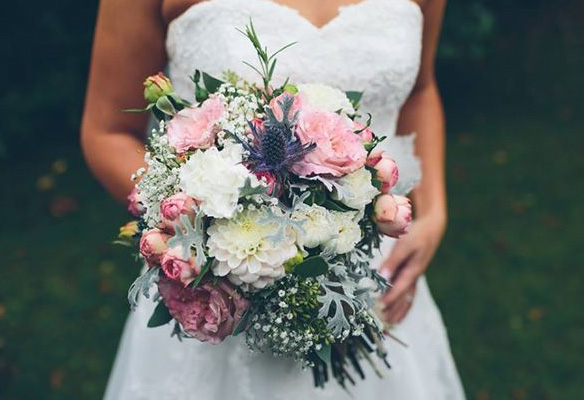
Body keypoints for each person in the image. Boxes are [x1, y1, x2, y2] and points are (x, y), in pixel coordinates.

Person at [81, 0, 466, 398]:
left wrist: (434, 214)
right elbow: (107, 132)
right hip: (221, 286)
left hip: (379, 282)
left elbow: (420, 90)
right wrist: (201, 230)